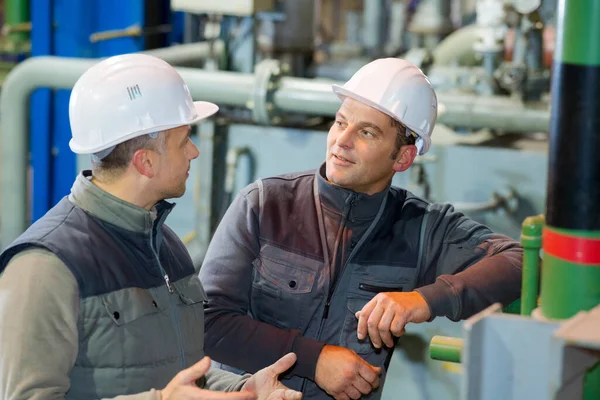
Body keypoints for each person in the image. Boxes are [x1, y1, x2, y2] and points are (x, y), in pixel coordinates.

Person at [199, 58, 523, 400]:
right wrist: (315, 360)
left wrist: (423, 300)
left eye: (367, 132)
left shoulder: (420, 226)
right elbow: (206, 322)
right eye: (341, 122)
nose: (343, 140)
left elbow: (518, 261)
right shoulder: (265, 204)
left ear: (403, 158)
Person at [0, 54, 302, 400]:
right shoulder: (45, 266)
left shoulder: (165, 246)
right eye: (184, 140)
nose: (194, 152)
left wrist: (242, 388)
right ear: (145, 161)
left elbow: (180, 378)